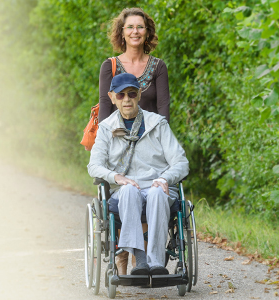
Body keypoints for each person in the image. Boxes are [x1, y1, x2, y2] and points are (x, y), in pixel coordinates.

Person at [88, 73, 188, 276]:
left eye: (132, 93)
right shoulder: (106, 128)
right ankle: (140, 258)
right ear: (112, 97)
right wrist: (116, 177)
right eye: (121, 94)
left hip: (157, 186)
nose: (127, 99)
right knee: (128, 191)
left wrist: (164, 179)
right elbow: (94, 166)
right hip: (125, 189)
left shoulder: (157, 124)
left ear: (139, 95)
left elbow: (181, 162)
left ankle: (156, 262)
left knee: (158, 193)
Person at [98, 7, 170, 122]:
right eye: (130, 27)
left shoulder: (158, 67)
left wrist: (164, 136)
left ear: (147, 33)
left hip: (150, 137)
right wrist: (103, 138)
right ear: (122, 33)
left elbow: (163, 107)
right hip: (117, 138)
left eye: (140, 27)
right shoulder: (109, 66)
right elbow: (105, 107)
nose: (135, 31)